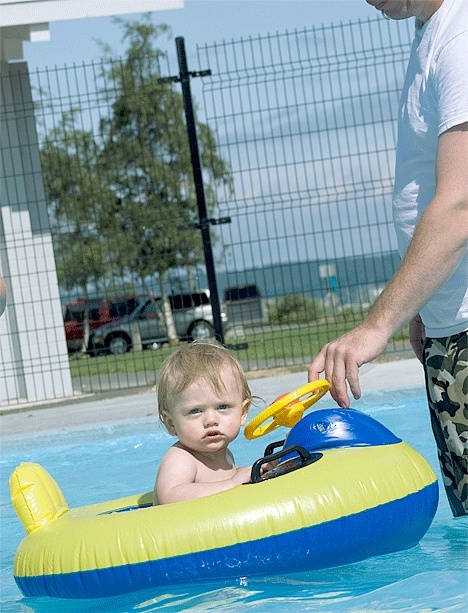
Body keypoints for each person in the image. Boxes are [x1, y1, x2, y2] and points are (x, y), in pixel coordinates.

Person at [309, 0, 467, 517]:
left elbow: (462, 204)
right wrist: (427, 307)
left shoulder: (462, 35)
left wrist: (376, 327)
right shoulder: (433, 32)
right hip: (452, 331)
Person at [154, 342, 254, 505]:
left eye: (222, 407)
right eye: (195, 411)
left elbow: (225, 478)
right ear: (171, 423)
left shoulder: (225, 454)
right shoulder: (181, 458)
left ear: (243, 413)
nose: (211, 420)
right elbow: (170, 496)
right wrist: (232, 484)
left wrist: (251, 472)